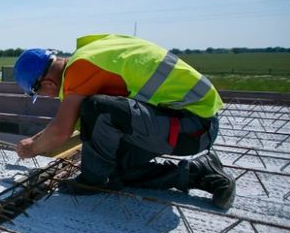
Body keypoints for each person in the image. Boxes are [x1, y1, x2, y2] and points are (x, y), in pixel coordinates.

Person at [13, 34, 236, 210]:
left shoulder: (79, 70)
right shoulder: (88, 58)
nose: (48, 96)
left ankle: (93, 180)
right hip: (180, 123)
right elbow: (67, 120)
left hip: (194, 124)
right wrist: (36, 138)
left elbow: (62, 131)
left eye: (40, 93)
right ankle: (201, 173)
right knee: (116, 171)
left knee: (97, 108)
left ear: (48, 83)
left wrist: (32, 149)